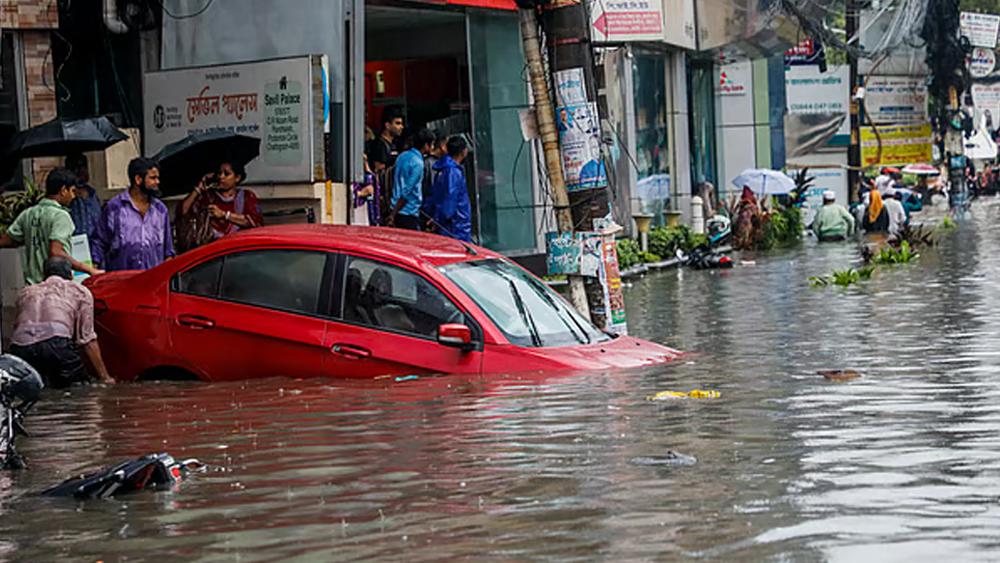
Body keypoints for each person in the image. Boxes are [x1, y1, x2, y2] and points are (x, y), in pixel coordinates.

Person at [7, 256, 113, 388]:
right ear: (70, 275)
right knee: (82, 392)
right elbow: (88, 340)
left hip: (20, 348)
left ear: (43, 274)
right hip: (57, 345)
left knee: (30, 392)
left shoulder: (25, 292)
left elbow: (17, 328)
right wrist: (105, 377)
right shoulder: (78, 291)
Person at [0, 168, 103, 284]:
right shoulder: (61, 216)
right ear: (63, 190)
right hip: (55, 288)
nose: (74, 196)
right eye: (72, 191)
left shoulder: (28, 214)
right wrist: (89, 269)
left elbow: (7, 240)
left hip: (32, 287)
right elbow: (56, 252)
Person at [91, 157, 174, 271]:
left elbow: (168, 251)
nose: (157, 182)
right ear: (138, 179)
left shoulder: (160, 210)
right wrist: (94, 268)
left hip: (153, 281)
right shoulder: (115, 208)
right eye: (153, 178)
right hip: (122, 281)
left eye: (157, 178)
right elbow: (99, 243)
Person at [177, 160, 263, 244]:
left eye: (226, 174)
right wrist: (198, 188)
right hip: (213, 250)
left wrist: (224, 214)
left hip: (238, 248)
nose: (221, 177)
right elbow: (184, 210)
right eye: (219, 173)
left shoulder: (246, 196)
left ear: (237, 178)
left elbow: (255, 222)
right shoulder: (209, 196)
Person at [387, 128, 436, 231]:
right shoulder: (418, 163)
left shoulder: (402, 156)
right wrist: (393, 214)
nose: (433, 147)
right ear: (426, 145)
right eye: (431, 144)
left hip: (394, 206)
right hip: (407, 212)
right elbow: (407, 191)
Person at [427, 135, 472, 242]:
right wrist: (438, 219)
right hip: (456, 228)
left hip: (449, 226)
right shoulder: (453, 172)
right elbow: (449, 203)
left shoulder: (444, 170)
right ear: (464, 151)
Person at [65, 153, 102, 240]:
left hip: (95, 245)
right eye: (77, 168)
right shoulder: (68, 196)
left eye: (84, 167)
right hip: (76, 244)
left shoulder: (92, 193)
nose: (82, 171)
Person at [366, 106, 404, 174]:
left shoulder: (394, 143)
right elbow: (378, 169)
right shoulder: (379, 145)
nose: (401, 127)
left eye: (401, 123)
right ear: (387, 125)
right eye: (397, 123)